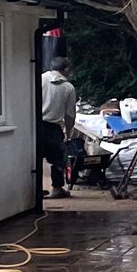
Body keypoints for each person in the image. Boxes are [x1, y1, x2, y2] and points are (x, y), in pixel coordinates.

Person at [39, 57, 78, 199]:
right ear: (66, 70)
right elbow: (70, 115)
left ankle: (35, 189)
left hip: (35, 125)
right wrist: (68, 131)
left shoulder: (39, 79)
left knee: (35, 157)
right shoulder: (68, 88)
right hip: (53, 128)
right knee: (58, 158)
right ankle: (57, 188)